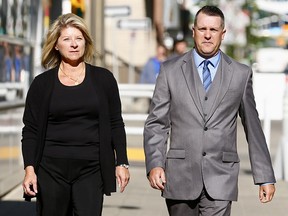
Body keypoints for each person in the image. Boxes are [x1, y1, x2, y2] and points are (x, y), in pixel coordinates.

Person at [143, 5, 276, 216]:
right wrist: (155, 164)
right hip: (180, 176)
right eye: (202, 29)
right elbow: (156, 123)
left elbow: (253, 128)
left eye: (213, 30)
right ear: (193, 30)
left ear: (223, 34)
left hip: (221, 178)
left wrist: (265, 176)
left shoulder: (240, 74)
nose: (207, 35)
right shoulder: (170, 71)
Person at [21, 13, 130, 216]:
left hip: (91, 169)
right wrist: (29, 169)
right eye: (67, 39)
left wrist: (121, 162)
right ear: (56, 45)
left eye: (79, 39)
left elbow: (116, 123)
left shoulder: (104, 79)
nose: (74, 44)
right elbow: (31, 130)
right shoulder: (42, 84)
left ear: (85, 43)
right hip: (50, 169)